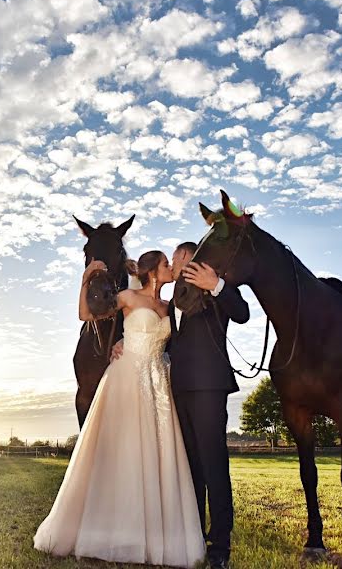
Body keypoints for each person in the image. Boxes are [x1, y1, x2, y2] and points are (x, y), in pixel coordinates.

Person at [33, 250, 206, 568]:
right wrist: (85, 280)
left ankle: (149, 534)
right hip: (125, 380)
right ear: (153, 271)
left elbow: (176, 344)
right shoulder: (127, 296)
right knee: (122, 454)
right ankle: (109, 530)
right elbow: (87, 315)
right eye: (167, 265)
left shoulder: (170, 307)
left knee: (153, 455)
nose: (171, 269)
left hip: (158, 385)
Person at [112, 242, 250, 569]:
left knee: (214, 463)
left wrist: (215, 285)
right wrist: (124, 340)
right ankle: (195, 534)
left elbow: (242, 313)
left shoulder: (213, 285)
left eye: (174, 258)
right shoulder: (173, 300)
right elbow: (165, 340)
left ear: (187, 257)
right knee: (191, 468)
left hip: (208, 387)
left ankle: (221, 544)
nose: (171, 264)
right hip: (176, 389)